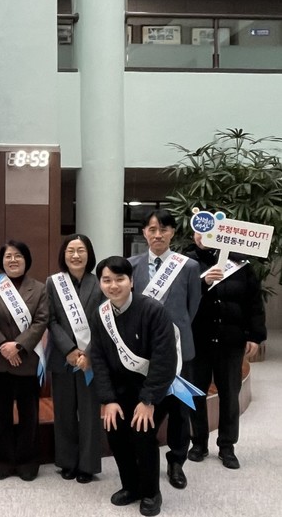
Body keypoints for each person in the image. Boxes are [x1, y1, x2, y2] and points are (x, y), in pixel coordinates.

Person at [91, 256, 177, 517]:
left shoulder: (153, 310)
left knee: (142, 434)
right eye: (107, 280)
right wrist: (108, 399)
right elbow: (98, 358)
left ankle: (151, 492)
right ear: (100, 283)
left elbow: (164, 359)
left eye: (119, 279)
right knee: (115, 433)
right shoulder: (101, 314)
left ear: (131, 281)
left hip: (152, 389)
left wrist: (148, 400)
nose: (113, 285)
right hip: (119, 391)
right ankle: (130, 486)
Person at [128, 209, 200, 490]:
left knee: (180, 410)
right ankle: (144, 460)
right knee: (146, 405)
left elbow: (192, 307)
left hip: (180, 350)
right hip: (143, 352)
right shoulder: (131, 265)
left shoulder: (189, 266)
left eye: (164, 229)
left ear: (173, 233)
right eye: (152, 229)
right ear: (144, 232)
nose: (158, 235)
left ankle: (176, 461)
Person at [185, 233, 266, 469]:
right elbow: (180, 297)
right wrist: (203, 283)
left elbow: (254, 302)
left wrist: (254, 335)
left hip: (231, 339)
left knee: (230, 393)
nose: (203, 236)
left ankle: (227, 446)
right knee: (195, 393)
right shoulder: (186, 262)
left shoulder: (240, 263)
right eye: (199, 230)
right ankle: (198, 443)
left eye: (210, 230)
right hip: (197, 339)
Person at [0, 240, 48, 481]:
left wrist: (18, 346)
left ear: (26, 260)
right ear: (1, 261)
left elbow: (41, 321)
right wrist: (3, 345)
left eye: (18, 255)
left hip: (27, 360)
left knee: (29, 413)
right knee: (0, 413)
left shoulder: (39, 288)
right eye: (8, 256)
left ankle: (27, 461)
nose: (13, 260)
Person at [46, 233, 103, 483]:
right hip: (63, 358)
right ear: (64, 255)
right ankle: (67, 462)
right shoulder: (53, 282)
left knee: (89, 414)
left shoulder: (100, 282)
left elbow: (105, 322)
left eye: (81, 251)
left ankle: (88, 465)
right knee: (64, 412)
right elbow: (50, 320)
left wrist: (87, 353)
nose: (76, 255)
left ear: (89, 255)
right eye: (71, 251)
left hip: (91, 360)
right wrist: (69, 349)